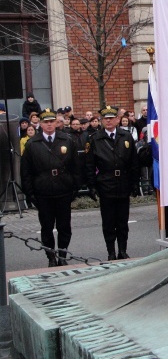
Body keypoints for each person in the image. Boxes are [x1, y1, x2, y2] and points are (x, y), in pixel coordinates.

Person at [20, 108, 81, 267]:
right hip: (43, 190)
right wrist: (30, 193)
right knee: (46, 227)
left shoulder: (66, 140)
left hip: (63, 189)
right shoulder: (32, 144)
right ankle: (51, 256)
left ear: (56, 122)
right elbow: (26, 171)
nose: (49, 125)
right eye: (45, 122)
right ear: (40, 123)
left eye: (51, 122)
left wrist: (75, 187)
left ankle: (62, 254)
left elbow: (76, 166)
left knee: (64, 225)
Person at [85, 105, 139, 260]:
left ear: (117, 119)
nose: (108, 121)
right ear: (102, 121)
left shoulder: (126, 136)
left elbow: (133, 162)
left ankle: (122, 250)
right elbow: (89, 164)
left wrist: (135, 183)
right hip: (105, 183)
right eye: (105, 119)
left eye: (111, 118)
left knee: (122, 221)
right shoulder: (95, 139)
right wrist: (92, 185)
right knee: (108, 222)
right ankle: (111, 252)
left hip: (123, 182)